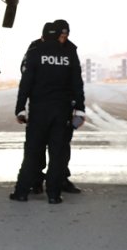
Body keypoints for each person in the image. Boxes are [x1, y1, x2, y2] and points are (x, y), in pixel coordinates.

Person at [10, 19, 85, 204]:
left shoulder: (35, 53)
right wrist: (80, 109)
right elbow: (77, 83)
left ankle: (21, 192)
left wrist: (20, 108)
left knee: (32, 152)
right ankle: (54, 194)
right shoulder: (69, 55)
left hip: (39, 111)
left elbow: (25, 83)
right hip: (61, 111)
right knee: (57, 153)